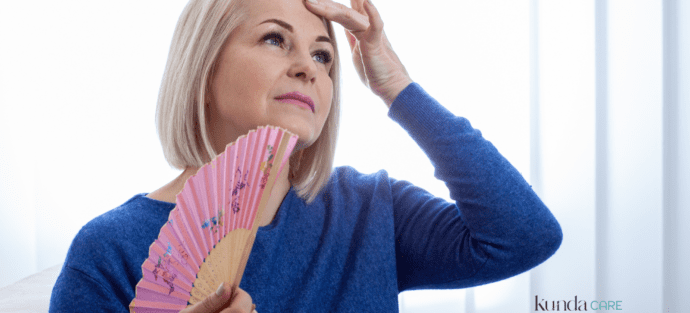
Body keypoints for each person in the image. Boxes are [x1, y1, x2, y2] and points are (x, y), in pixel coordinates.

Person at [49, 0, 563, 312]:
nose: (309, 68)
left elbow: (524, 235)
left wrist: (396, 86)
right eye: (276, 39)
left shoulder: (369, 210)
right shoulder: (109, 250)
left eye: (324, 55)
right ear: (203, 69)